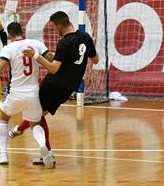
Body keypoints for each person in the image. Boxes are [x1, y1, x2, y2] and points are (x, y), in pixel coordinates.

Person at [9, 11, 99, 165]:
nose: (54, 31)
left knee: (36, 116)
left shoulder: (64, 42)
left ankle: (47, 153)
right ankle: (18, 129)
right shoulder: (85, 37)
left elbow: (53, 69)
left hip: (53, 84)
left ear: (59, 25)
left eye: (53, 27)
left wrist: (35, 56)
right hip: (69, 88)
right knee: (39, 114)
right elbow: (95, 60)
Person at [0, 22, 55, 168]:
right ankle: (43, 146)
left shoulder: (8, 48)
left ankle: (3, 154)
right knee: (35, 124)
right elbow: (52, 59)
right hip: (33, 94)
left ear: (9, 35)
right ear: (22, 31)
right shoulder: (35, 44)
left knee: (4, 117)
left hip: (16, 93)